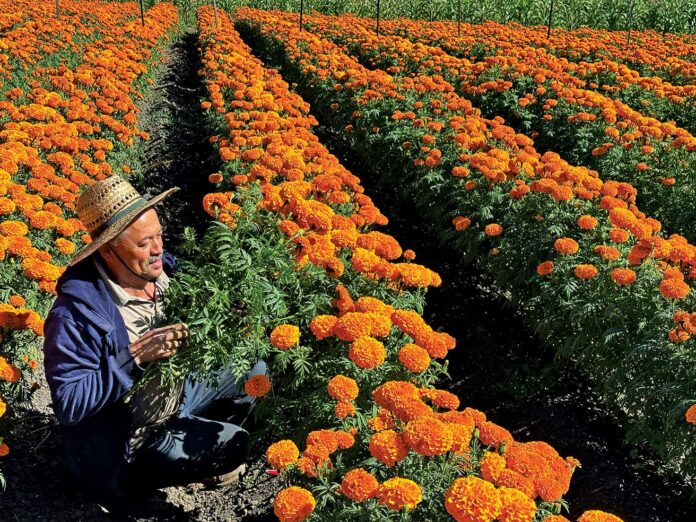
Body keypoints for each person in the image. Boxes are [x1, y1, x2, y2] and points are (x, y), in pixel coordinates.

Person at [43, 176, 266, 506]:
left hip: (178, 394)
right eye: (144, 243)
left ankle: (197, 453)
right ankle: (137, 485)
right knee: (232, 445)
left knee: (253, 371)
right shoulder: (76, 314)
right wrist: (133, 357)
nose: (158, 248)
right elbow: (69, 404)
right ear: (106, 251)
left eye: (159, 235)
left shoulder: (163, 271)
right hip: (131, 437)